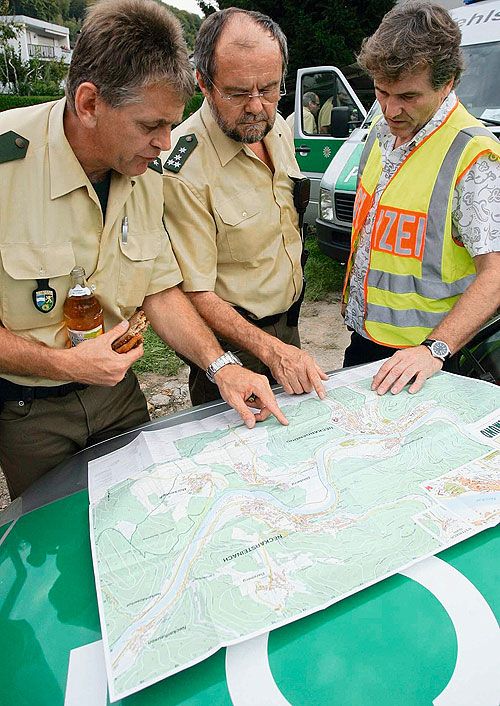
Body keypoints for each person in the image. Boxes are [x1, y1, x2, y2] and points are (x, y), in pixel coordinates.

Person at [0, 0, 288, 501]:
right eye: (150, 125)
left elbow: (160, 290)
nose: (165, 142)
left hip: (118, 395)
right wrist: (66, 365)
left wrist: (222, 367)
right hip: (29, 411)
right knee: (58, 531)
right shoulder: (7, 164)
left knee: (142, 516)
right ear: (89, 103)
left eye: (172, 124)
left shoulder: (144, 172)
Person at [162, 8, 328, 407]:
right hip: (232, 352)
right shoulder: (183, 168)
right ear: (204, 83)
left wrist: (283, 346)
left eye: (269, 89)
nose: (256, 107)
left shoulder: (278, 127)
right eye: (237, 93)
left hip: (289, 330)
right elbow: (194, 292)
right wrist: (269, 350)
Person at [342, 1, 500, 395]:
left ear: (447, 84)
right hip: (366, 343)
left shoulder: (474, 156)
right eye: (381, 91)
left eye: (408, 96)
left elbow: (496, 274)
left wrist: (435, 349)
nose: (391, 109)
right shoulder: (380, 134)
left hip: (430, 362)